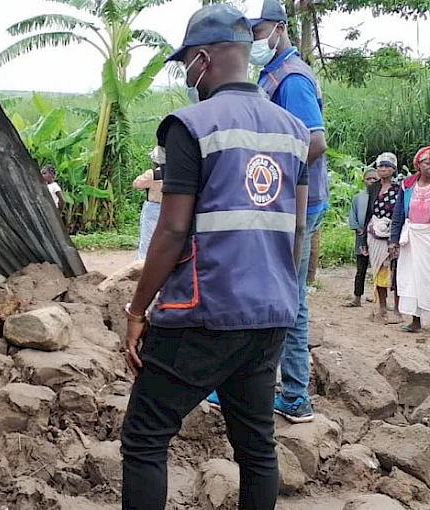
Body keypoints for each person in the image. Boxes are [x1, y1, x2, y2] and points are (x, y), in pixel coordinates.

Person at [120, 5, 309, 509]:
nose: (187, 73)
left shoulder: (191, 124)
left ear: (203, 59)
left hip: (204, 313)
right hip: (270, 313)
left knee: (145, 436)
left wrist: (137, 311)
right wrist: (284, 295)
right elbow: (295, 230)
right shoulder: (292, 131)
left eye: (186, 63)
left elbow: (174, 226)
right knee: (257, 447)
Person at [207, 0, 328, 423]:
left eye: (257, 31)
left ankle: (291, 394)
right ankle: (263, 387)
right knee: (276, 294)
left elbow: (314, 141)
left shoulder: (292, 78)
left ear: (278, 28)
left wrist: (269, 169)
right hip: (287, 200)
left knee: (284, 298)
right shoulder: (274, 72)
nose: (252, 39)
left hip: (294, 202)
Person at [391, 146, 430, 333]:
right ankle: (415, 321)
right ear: (419, 165)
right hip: (412, 237)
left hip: (428, 237)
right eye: (427, 163)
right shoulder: (407, 185)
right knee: (413, 279)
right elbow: (398, 213)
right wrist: (393, 240)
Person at [361, 152, 402, 324]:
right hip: (375, 234)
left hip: (394, 232)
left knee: (397, 273)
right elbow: (368, 213)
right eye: (380, 166)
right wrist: (363, 239)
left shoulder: (400, 188)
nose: (383, 169)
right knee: (379, 270)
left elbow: (401, 212)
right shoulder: (373, 188)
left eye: (387, 166)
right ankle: (382, 308)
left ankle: (398, 309)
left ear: (393, 169)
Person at [345, 169, 379, 307]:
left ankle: (379, 299)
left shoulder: (382, 196)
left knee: (380, 270)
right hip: (361, 238)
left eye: (374, 179)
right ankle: (357, 298)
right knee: (361, 269)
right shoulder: (358, 198)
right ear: (363, 181)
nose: (371, 181)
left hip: (378, 238)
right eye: (368, 179)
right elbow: (352, 216)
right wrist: (359, 229)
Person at [133, 147, 165, 259]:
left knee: (147, 238)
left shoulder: (153, 174)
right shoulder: (174, 173)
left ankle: (142, 265)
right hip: (169, 207)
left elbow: (137, 184)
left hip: (152, 207)